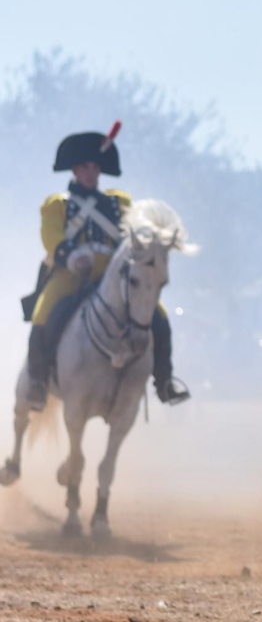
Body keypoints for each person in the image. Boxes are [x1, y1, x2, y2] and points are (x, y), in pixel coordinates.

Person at [20, 126, 188, 410]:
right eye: (85, 167)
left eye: (95, 167)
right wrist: (73, 257)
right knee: (44, 314)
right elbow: (51, 238)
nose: (91, 173)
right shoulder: (58, 205)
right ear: (75, 169)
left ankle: (164, 381)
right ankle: (37, 382)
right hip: (70, 275)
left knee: (158, 317)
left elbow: (134, 235)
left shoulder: (119, 203)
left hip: (114, 277)